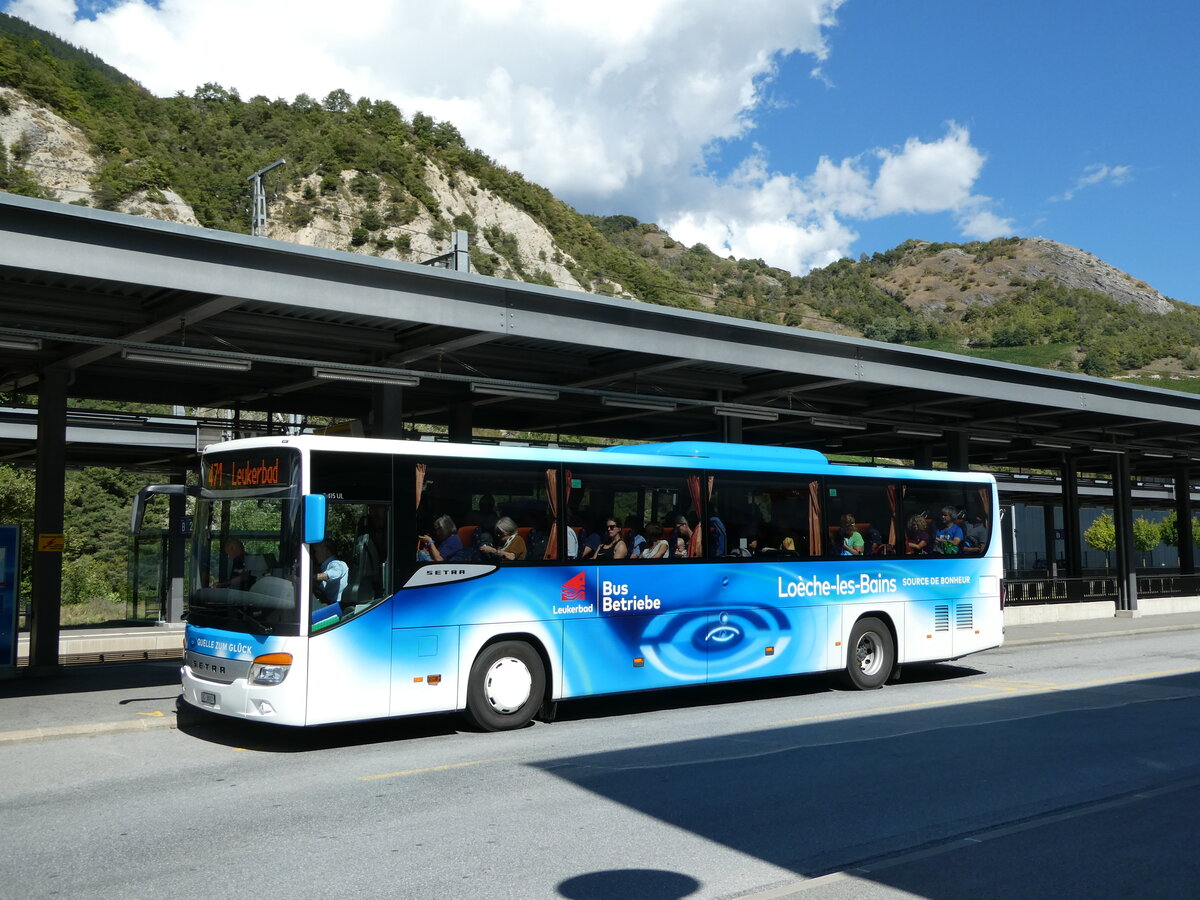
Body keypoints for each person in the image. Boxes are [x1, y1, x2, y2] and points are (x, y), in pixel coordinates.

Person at [311, 540, 348, 624]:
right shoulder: (326, 567)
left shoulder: (336, 563)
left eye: (316, 551)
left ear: (326, 550)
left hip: (337, 607)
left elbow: (333, 574)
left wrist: (311, 577)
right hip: (330, 605)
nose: (315, 554)